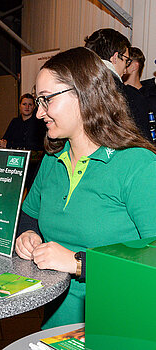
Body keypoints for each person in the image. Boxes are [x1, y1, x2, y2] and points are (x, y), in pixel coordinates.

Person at [15, 47, 156, 329]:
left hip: (120, 326)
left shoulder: (138, 164)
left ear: (84, 95)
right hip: (57, 324)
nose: (40, 112)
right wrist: (27, 233)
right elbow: (28, 214)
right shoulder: (54, 159)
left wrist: (80, 263)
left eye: (47, 100)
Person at [84, 28, 151, 140]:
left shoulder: (72, 90)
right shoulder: (130, 97)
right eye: (126, 60)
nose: (125, 69)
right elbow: (145, 146)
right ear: (115, 58)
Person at [123, 47, 156, 115]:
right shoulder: (116, 92)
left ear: (134, 66)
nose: (121, 65)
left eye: (126, 61)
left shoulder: (151, 98)